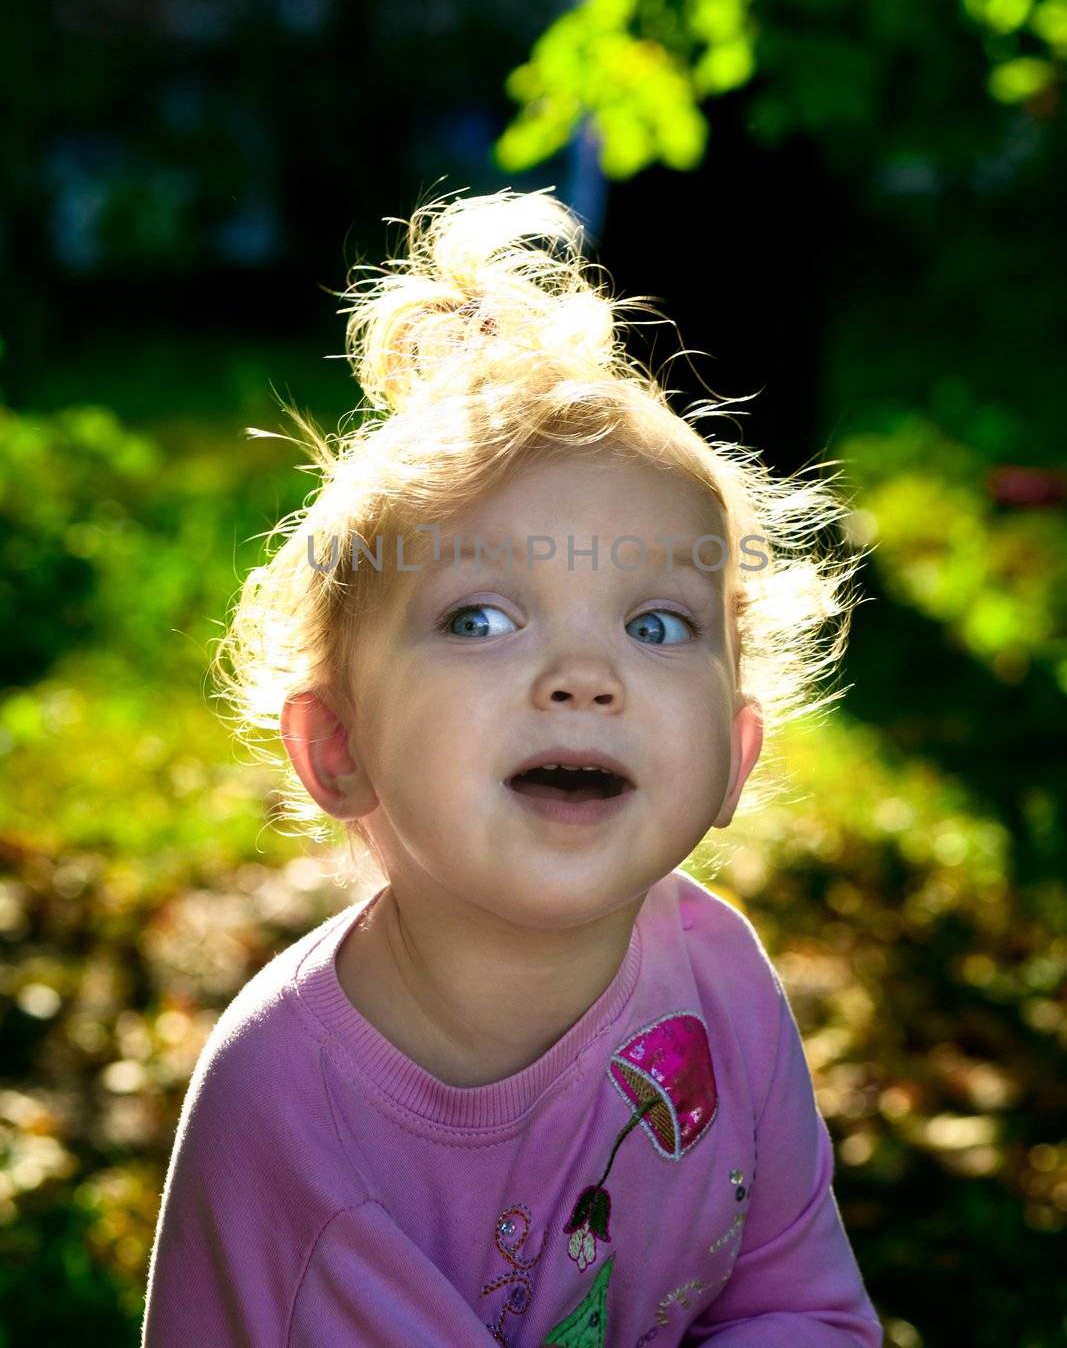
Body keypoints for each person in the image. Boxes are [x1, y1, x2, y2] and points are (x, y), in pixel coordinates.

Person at [140, 187, 882, 1347]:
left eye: (655, 624)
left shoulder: (716, 974)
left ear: (734, 753)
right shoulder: (291, 1111)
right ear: (338, 746)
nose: (585, 676)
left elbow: (799, 1305)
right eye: (481, 620)